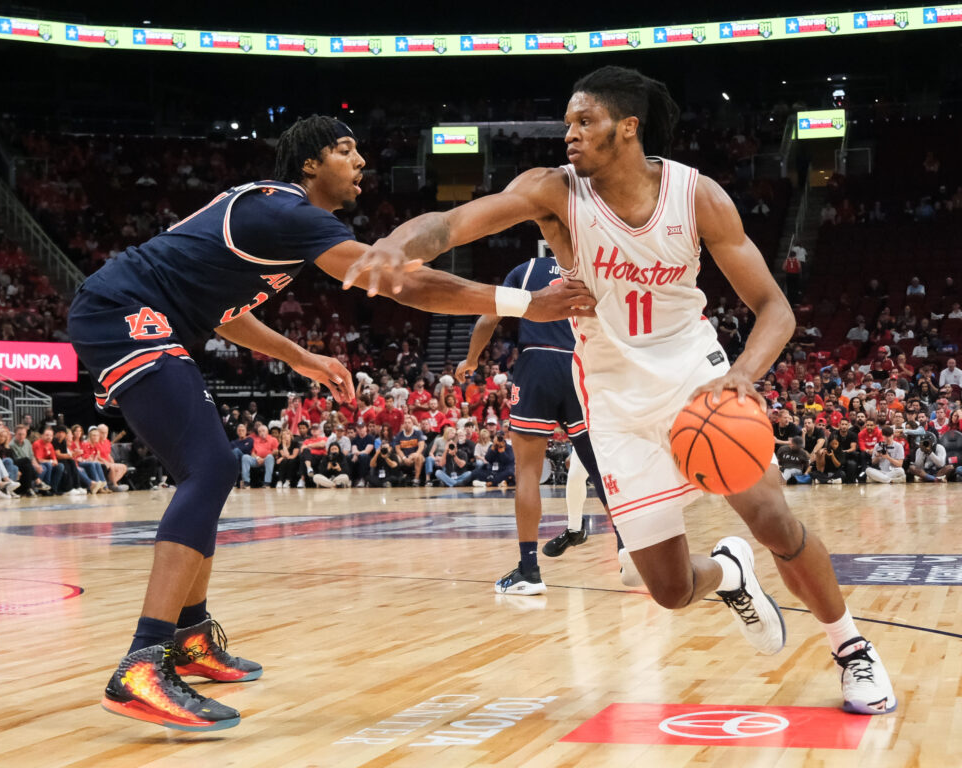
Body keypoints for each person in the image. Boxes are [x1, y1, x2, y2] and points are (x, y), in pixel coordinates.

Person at [351, 67, 895, 715]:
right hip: (610, 395)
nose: (570, 135)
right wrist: (392, 244)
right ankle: (730, 573)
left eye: (585, 122)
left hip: (695, 375)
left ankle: (852, 648)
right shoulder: (554, 192)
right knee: (666, 589)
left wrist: (743, 376)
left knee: (773, 518)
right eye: (568, 124)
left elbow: (775, 309)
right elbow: (453, 222)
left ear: (627, 128)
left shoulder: (697, 197)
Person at [67, 115, 593, 732]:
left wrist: (302, 357)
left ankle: (189, 637)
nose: (360, 161)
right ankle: (142, 662)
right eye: (345, 150)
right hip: (120, 310)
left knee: (211, 469)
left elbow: (225, 313)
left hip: (149, 314)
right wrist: (524, 304)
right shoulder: (287, 212)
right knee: (208, 466)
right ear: (309, 165)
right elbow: (404, 283)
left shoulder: (276, 227)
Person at [457, 255, 632, 594]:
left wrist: (471, 359)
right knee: (601, 468)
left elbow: (487, 320)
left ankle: (529, 570)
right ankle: (628, 546)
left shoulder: (525, 270)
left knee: (527, 473)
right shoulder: (591, 270)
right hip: (579, 363)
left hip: (536, 362)